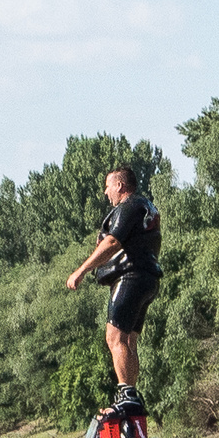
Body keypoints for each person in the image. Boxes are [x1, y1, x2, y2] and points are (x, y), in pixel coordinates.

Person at [66, 166, 162, 415]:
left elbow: (112, 242)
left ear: (120, 185)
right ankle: (130, 395)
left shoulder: (130, 206)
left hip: (131, 277)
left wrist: (81, 270)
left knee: (114, 337)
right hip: (147, 280)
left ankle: (127, 394)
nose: (105, 191)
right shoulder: (145, 208)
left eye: (108, 185)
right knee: (129, 340)